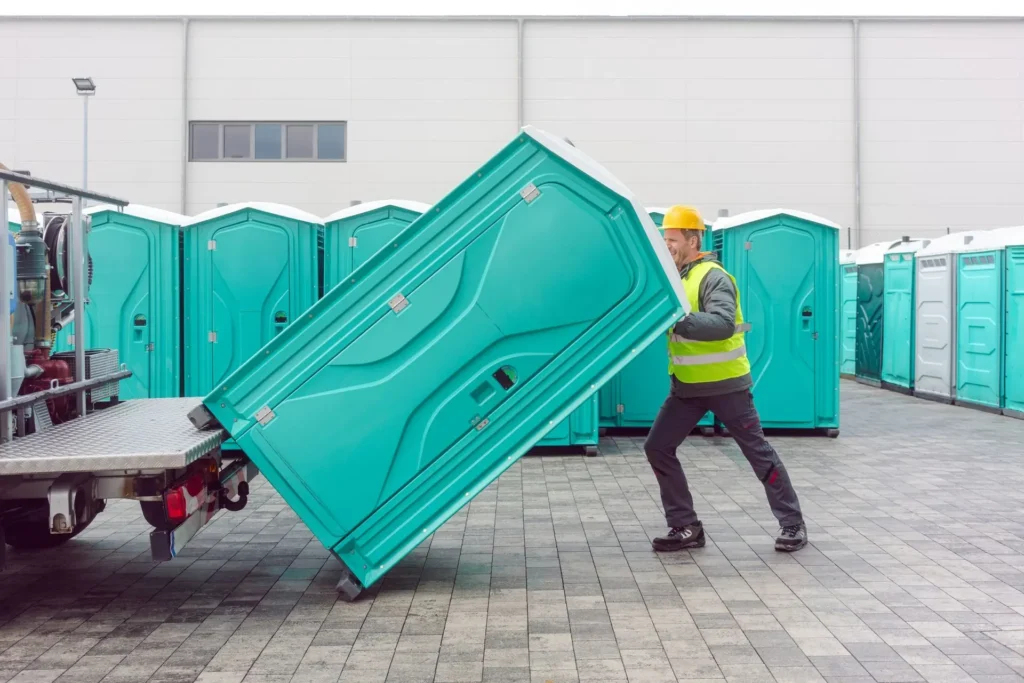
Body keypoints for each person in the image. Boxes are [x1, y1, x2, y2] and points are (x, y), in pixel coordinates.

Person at [645, 205, 807, 553]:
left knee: (758, 454)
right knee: (657, 447)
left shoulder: (713, 276)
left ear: (693, 239)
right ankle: (685, 526)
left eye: (672, 240)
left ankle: (792, 524)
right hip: (686, 388)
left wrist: (675, 318)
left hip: (727, 388)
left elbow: (720, 325)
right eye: (665, 240)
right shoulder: (679, 277)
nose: (667, 246)